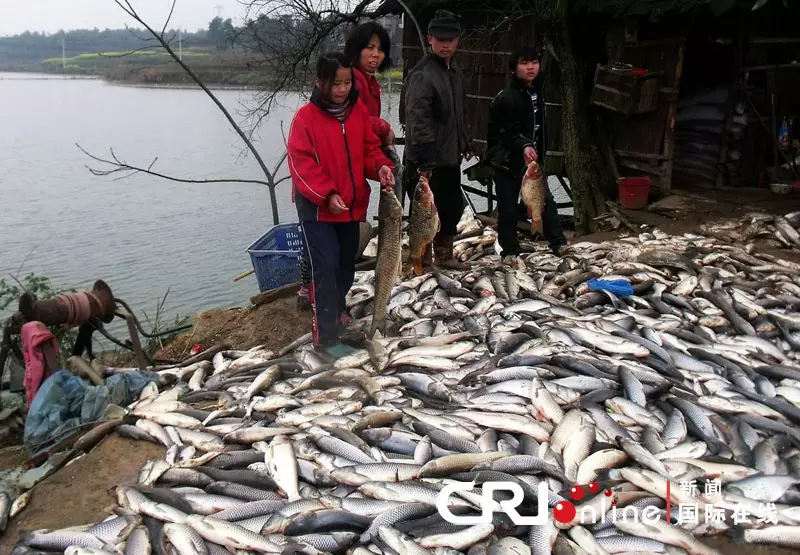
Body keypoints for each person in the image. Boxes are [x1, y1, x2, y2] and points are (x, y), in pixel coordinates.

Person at [287, 51, 395, 357]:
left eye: (347, 82)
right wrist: (327, 194)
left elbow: (370, 151)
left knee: (346, 268)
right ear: (320, 82)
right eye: (336, 83)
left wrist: (380, 168)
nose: (342, 89)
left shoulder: (357, 113)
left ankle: (335, 316)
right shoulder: (305, 119)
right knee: (326, 266)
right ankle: (325, 338)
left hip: (351, 206)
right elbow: (301, 166)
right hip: (318, 209)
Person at [403, 9, 473, 270]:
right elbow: (417, 120)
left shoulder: (454, 73)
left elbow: (459, 113)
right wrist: (424, 161)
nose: (446, 45)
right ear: (430, 39)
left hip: (450, 156)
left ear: (457, 41)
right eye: (440, 39)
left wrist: (466, 141)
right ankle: (422, 260)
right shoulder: (423, 74)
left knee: (451, 207)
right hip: (427, 159)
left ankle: (445, 256)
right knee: (425, 213)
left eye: (451, 39)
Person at [486, 45, 568, 258]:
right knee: (508, 209)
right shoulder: (507, 97)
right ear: (514, 69)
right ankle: (509, 251)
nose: (530, 67)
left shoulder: (539, 91)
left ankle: (559, 243)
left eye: (534, 62)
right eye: (524, 63)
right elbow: (506, 132)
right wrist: (524, 145)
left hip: (530, 163)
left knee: (545, 202)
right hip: (506, 162)